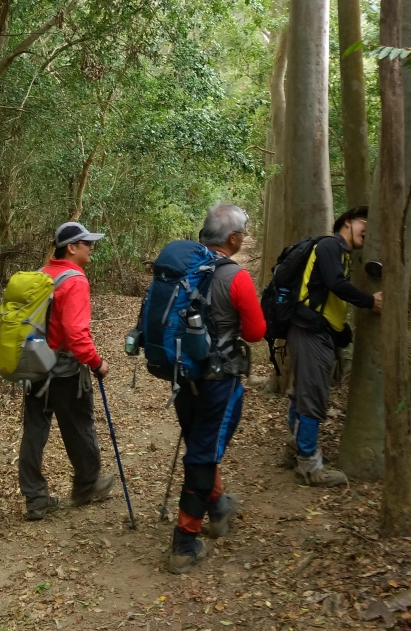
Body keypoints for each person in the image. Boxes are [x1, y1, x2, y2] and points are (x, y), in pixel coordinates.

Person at [169, 204, 266, 574]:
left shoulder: (182, 268)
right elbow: (256, 332)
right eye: (243, 233)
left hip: (181, 376)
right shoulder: (235, 277)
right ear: (233, 238)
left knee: (201, 442)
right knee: (203, 455)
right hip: (218, 380)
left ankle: (219, 506)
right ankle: (184, 541)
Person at [18, 221, 115, 520]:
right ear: (71, 248)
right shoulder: (75, 280)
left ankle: (35, 498)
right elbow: (76, 333)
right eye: (87, 243)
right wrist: (97, 363)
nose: (91, 247)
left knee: (34, 430)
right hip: (64, 370)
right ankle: (87, 485)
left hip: (34, 364)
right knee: (79, 427)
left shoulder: (40, 275)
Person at [286, 205, 382, 487]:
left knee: (303, 392)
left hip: (314, 331)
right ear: (348, 222)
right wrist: (369, 300)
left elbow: (329, 293)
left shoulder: (340, 254)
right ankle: (309, 467)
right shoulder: (330, 245)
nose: (368, 229)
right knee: (312, 395)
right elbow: (335, 284)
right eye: (365, 222)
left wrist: (341, 330)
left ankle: (295, 447)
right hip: (309, 332)